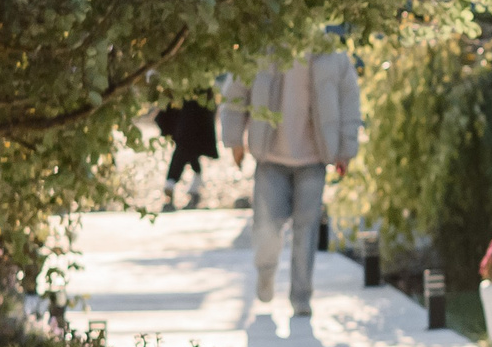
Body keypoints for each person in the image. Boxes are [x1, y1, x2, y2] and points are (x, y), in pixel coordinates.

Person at [218, 50, 362, 318]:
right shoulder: (265, 49)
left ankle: (301, 297)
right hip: (270, 156)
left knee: (306, 232)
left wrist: (345, 150)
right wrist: (235, 139)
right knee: (266, 227)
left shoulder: (333, 57)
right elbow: (235, 91)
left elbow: (349, 103)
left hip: (314, 158)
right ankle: (265, 271)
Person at [154, 92, 217, 210]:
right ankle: (187, 189)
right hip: (188, 127)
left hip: (187, 127)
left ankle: (177, 188)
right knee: (187, 154)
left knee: (185, 154)